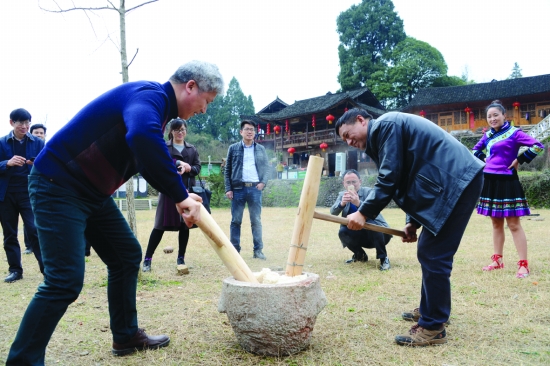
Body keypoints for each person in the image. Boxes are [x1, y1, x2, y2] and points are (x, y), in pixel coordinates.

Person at [6, 60, 223, 364]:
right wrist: (179, 193)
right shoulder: (150, 96)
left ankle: (125, 336)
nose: (204, 110)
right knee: (64, 280)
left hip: (91, 192)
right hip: (58, 184)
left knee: (125, 255)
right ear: (191, 86)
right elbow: (142, 138)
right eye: (207, 101)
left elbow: (145, 158)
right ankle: (22, 361)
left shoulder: (156, 112)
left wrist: (178, 196)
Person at [335, 108, 484, 347]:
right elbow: (406, 181)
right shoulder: (383, 136)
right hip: (448, 182)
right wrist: (411, 222)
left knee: (434, 252)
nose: (349, 141)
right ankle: (431, 310)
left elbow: (390, 178)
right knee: (429, 250)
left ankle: (433, 325)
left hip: (457, 179)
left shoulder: (386, 126)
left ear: (361, 120)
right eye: (344, 140)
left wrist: (364, 212)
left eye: (348, 134)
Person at [473, 100, 544, 278]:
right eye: (489, 116)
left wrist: (520, 160)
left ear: (505, 116)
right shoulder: (487, 135)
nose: (492, 118)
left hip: (508, 181)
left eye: (496, 115)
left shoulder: (514, 133)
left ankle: (523, 265)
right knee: (496, 224)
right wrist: (486, 161)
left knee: (513, 224)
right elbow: (475, 150)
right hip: (489, 181)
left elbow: (537, 146)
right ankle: (497, 260)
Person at [142, 118, 201, 272]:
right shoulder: (164, 147)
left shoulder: (192, 149)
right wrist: (174, 166)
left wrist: (189, 168)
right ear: (171, 132)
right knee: (159, 225)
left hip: (186, 191)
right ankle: (147, 259)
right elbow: (157, 165)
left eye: (182, 129)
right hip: (168, 190)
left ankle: (181, 258)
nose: (180, 133)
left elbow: (197, 168)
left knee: (184, 225)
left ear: (186, 131)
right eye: (176, 130)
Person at [0, 108, 44, 282]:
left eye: (27, 123)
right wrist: (6, 163)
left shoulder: (38, 143)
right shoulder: (2, 143)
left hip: (29, 193)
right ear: (12, 123)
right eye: (21, 123)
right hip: (6, 195)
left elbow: (48, 164)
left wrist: (37, 163)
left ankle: (46, 269)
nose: (25, 126)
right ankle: (15, 270)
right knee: (9, 234)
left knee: (34, 230)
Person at [330, 169, 392, 270]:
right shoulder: (342, 195)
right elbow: (333, 212)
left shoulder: (369, 192)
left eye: (354, 181)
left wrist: (358, 203)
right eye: (348, 182)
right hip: (359, 233)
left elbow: (374, 211)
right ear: (344, 184)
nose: (351, 184)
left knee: (373, 225)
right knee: (343, 231)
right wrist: (342, 204)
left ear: (360, 181)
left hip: (379, 234)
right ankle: (360, 256)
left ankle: (383, 258)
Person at [224, 120, 269, 260]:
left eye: (252, 130)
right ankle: (235, 251)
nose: (250, 132)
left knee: (256, 220)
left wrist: (263, 182)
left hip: (255, 189)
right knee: (236, 220)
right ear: (241, 132)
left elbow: (267, 168)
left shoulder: (261, 149)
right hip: (238, 189)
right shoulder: (233, 148)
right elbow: (228, 170)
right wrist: (228, 188)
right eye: (247, 129)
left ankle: (258, 251)